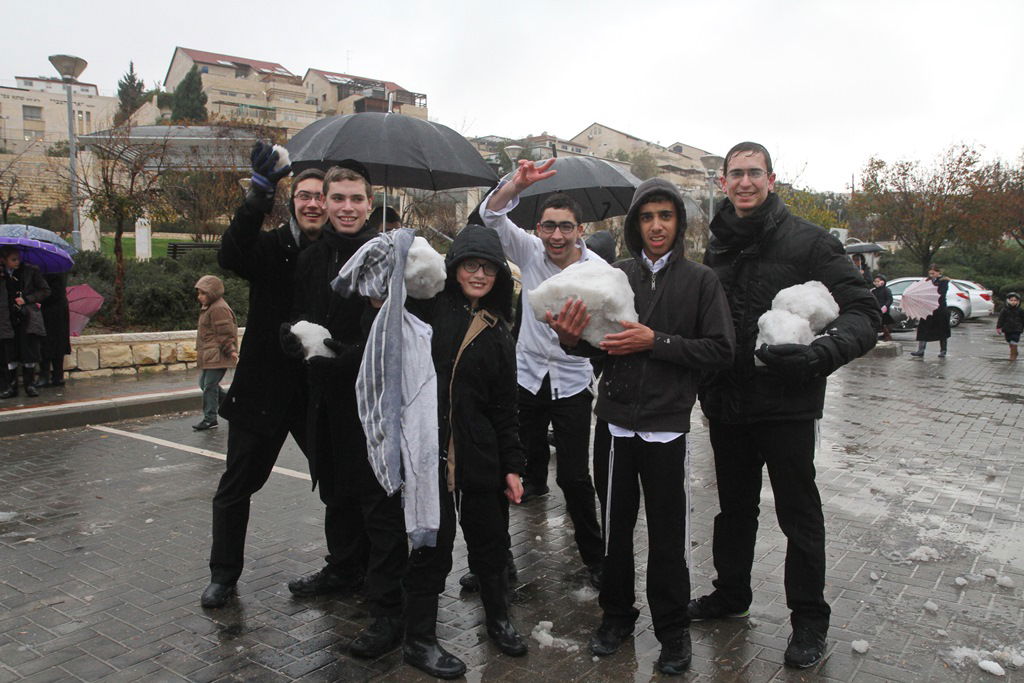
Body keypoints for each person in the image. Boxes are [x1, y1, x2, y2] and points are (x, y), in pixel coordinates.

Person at [694, 142, 879, 669]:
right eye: (736, 174)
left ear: (772, 179)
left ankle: (809, 622)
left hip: (788, 404)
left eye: (755, 173)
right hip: (728, 404)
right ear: (723, 183)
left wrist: (818, 356)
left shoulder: (811, 242)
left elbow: (863, 313)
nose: (745, 182)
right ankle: (731, 595)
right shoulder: (719, 245)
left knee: (798, 514)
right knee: (733, 512)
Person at [547, 178, 735, 675]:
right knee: (616, 531)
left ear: (679, 224)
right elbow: (600, 346)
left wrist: (658, 342)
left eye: (665, 216)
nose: (656, 225)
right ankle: (616, 616)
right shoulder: (615, 275)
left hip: (666, 428)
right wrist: (571, 340)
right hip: (614, 424)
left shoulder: (701, 281)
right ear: (635, 224)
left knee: (669, 537)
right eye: (647, 217)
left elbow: (721, 351)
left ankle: (672, 630)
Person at [285, 165, 405, 660]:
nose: (348, 207)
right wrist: (294, 342)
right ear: (327, 202)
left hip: (373, 398)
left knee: (379, 504)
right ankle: (343, 567)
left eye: (357, 198)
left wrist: (347, 354)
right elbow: (294, 313)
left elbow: (397, 327)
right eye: (339, 198)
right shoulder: (312, 257)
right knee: (335, 489)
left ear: (370, 202)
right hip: (326, 398)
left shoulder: (388, 253)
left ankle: (387, 609)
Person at [200, 143, 325, 609]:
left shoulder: (340, 254)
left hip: (318, 391)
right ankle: (223, 574)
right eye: (305, 194)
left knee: (340, 483)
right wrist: (258, 194)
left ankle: (346, 564)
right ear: (292, 200)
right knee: (236, 487)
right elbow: (230, 256)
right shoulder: (271, 246)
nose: (313, 203)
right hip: (263, 389)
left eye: (321, 196)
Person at [403, 224, 527, 678]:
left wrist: (512, 467)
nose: (479, 274)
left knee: (491, 543)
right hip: (430, 451)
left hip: (479, 455)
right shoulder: (429, 312)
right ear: (453, 267)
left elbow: (505, 407)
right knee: (431, 546)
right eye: (470, 264)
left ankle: (498, 619)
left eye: (488, 267)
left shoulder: (498, 331)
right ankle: (418, 638)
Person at [480, 159, 604, 589]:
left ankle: (596, 559)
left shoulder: (598, 270)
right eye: (548, 226)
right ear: (537, 230)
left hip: (571, 383)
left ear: (579, 230)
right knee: (507, 470)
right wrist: (515, 185)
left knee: (574, 477)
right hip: (526, 378)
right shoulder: (530, 252)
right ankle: (495, 563)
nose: (556, 235)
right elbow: (491, 216)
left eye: (565, 227)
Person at [0, 246, 50, 399]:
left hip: (26, 318)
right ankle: (11, 386)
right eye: (13, 259)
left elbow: (45, 290)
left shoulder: (30, 271)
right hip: (6, 318)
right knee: (10, 353)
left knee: (29, 351)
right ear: (4, 260)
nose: (17, 262)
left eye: (18, 258)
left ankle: (30, 384)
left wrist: (27, 299)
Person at [193, 275, 238, 431]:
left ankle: (210, 419)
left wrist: (231, 351)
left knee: (209, 385)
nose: (200, 297)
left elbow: (226, 333)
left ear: (212, 293)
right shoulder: (210, 307)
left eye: (203, 293)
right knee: (204, 384)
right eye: (199, 293)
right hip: (211, 354)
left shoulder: (219, 308)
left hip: (219, 354)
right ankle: (234, 407)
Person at [35, 271, 70, 388]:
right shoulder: (57, 268)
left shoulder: (53, 272)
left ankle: (48, 376)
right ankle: (57, 376)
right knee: (54, 342)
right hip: (56, 309)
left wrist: (36, 296)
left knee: (49, 342)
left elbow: (51, 293)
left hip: (53, 311)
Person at [910, 264, 950, 358]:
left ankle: (943, 350)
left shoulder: (943, 282)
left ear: (938, 272)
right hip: (927, 310)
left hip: (940, 309)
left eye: (933, 273)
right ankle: (921, 350)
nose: (931, 275)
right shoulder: (927, 281)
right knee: (923, 329)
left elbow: (941, 293)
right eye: (930, 273)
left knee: (942, 330)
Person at [996, 292, 1024, 361]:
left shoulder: (1020, 310)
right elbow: (1001, 319)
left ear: (1018, 301)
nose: (1013, 302)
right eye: (1011, 300)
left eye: (1015, 300)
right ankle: (1014, 351)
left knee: (1014, 340)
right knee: (1009, 340)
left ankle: (1013, 355)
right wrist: (998, 327)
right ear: (1008, 301)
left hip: (1017, 329)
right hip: (1007, 329)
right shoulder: (1004, 310)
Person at [872, 275, 894, 342]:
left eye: (878, 281)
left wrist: (885, 306)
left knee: (884, 324)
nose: (876, 283)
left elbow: (889, 299)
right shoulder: (874, 291)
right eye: (875, 281)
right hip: (875, 309)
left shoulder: (886, 290)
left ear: (883, 282)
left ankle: (887, 336)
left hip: (884, 310)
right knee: (876, 324)